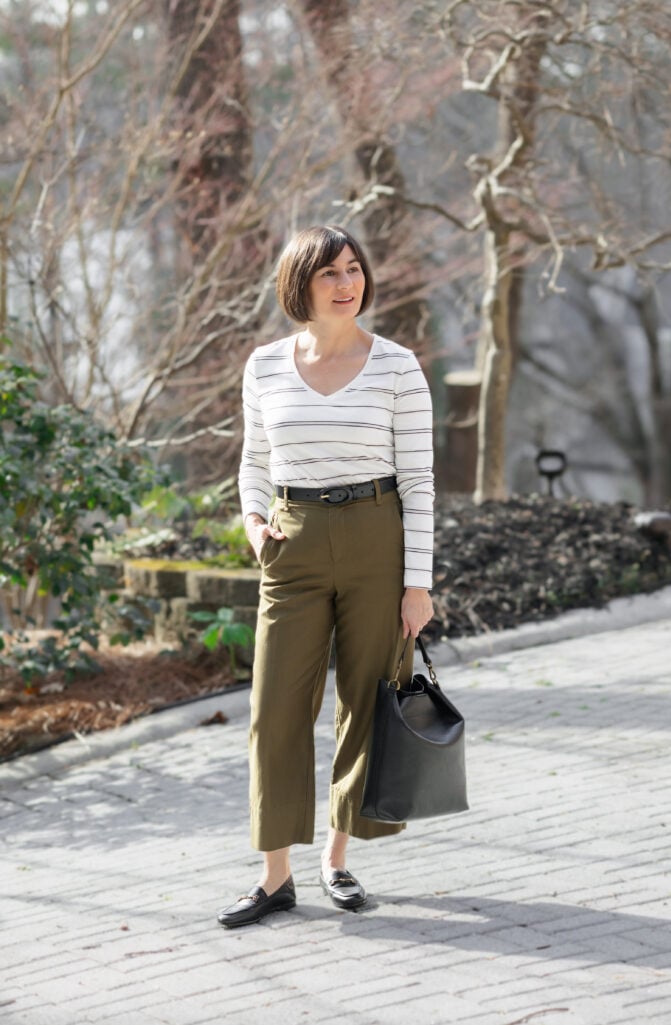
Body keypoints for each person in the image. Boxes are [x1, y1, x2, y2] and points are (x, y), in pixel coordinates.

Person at [217, 224, 434, 929]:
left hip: (377, 534)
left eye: (353, 270)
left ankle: (336, 860)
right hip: (292, 542)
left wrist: (417, 583)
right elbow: (253, 462)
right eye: (329, 274)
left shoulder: (397, 366)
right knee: (274, 708)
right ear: (299, 285)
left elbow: (421, 482)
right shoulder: (265, 366)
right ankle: (273, 874)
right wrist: (253, 525)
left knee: (364, 700)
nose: (347, 284)